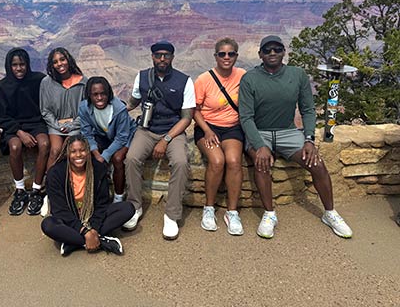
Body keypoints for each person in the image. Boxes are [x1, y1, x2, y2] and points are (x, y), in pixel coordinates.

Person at [239, 35, 353, 239]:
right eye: (267, 50)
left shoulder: (297, 74)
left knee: (317, 163)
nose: (272, 53)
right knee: (261, 162)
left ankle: (330, 213)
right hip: (260, 131)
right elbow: (246, 117)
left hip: (288, 131)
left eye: (277, 49)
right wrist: (259, 145)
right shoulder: (250, 78)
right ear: (260, 55)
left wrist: (309, 139)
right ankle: (269, 214)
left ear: (284, 52)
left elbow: (308, 110)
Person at [123, 40, 195, 240]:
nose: (162, 59)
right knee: (131, 159)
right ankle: (134, 207)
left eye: (166, 55)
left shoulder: (184, 81)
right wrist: (117, 110)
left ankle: (171, 215)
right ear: (152, 56)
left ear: (172, 57)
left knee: (180, 162)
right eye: (158, 55)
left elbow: (187, 117)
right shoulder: (143, 76)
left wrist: (166, 139)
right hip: (147, 130)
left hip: (174, 131)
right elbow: (133, 101)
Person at [41, 134, 135, 256]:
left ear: (88, 151)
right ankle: (100, 241)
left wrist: (93, 229)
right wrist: (85, 232)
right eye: (73, 151)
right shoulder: (55, 173)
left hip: (92, 215)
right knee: (48, 225)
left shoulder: (98, 169)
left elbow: (102, 205)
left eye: (82, 150)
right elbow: (59, 210)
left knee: (127, 208)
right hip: (69, 219)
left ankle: (73, 242)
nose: (78, 155)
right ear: (67, 154)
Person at [193, 38, 246, 235]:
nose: (226, 57)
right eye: (222, 54)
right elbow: (195, 110)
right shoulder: (203, 80)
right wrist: (207, 131)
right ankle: (209, 208)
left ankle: (232, 212)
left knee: (233, 161)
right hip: (208, 127)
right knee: (217, 161)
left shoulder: (243, 76)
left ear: (236, 56)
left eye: (231, 54)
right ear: (215, 56)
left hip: (232, 128)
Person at [0, 48, 50, 216]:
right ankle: (20, 191)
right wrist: (19, 132)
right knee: (15, 147)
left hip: (36, 122)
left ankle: (37, 190)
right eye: (14, 65)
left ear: (27, 64)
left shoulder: (38, 80)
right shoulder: (3, 86)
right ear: (9, 66)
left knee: (44, 144)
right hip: (12, 125)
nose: (19, 68)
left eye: (22, 64)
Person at [78, 76, 137, 203]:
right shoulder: (84, 108)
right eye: (95, 94)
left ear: (108, 93)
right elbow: (86, 133)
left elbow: (122, 137)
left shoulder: (119, 109)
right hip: (104, 135)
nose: (99, 98)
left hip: (126, 135)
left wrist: (104, 155)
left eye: (103, 94)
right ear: (89, 95)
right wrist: (95, 151)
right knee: (89, 156)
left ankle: (118, 196)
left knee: (117, 158)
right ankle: (96, 194)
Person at [39, 47, 87, 170]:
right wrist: (57, 125)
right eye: (55, 62)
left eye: (62, 59)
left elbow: (86, 110)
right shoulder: (46, 83)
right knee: (55, 151)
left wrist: (72, 125)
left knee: (71, 150)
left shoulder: (83, 82)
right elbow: (45, 110)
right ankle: (50, 183)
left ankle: (71, 183)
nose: (59, 64)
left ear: (68, 60)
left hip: (76, 124)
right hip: (55, 125)